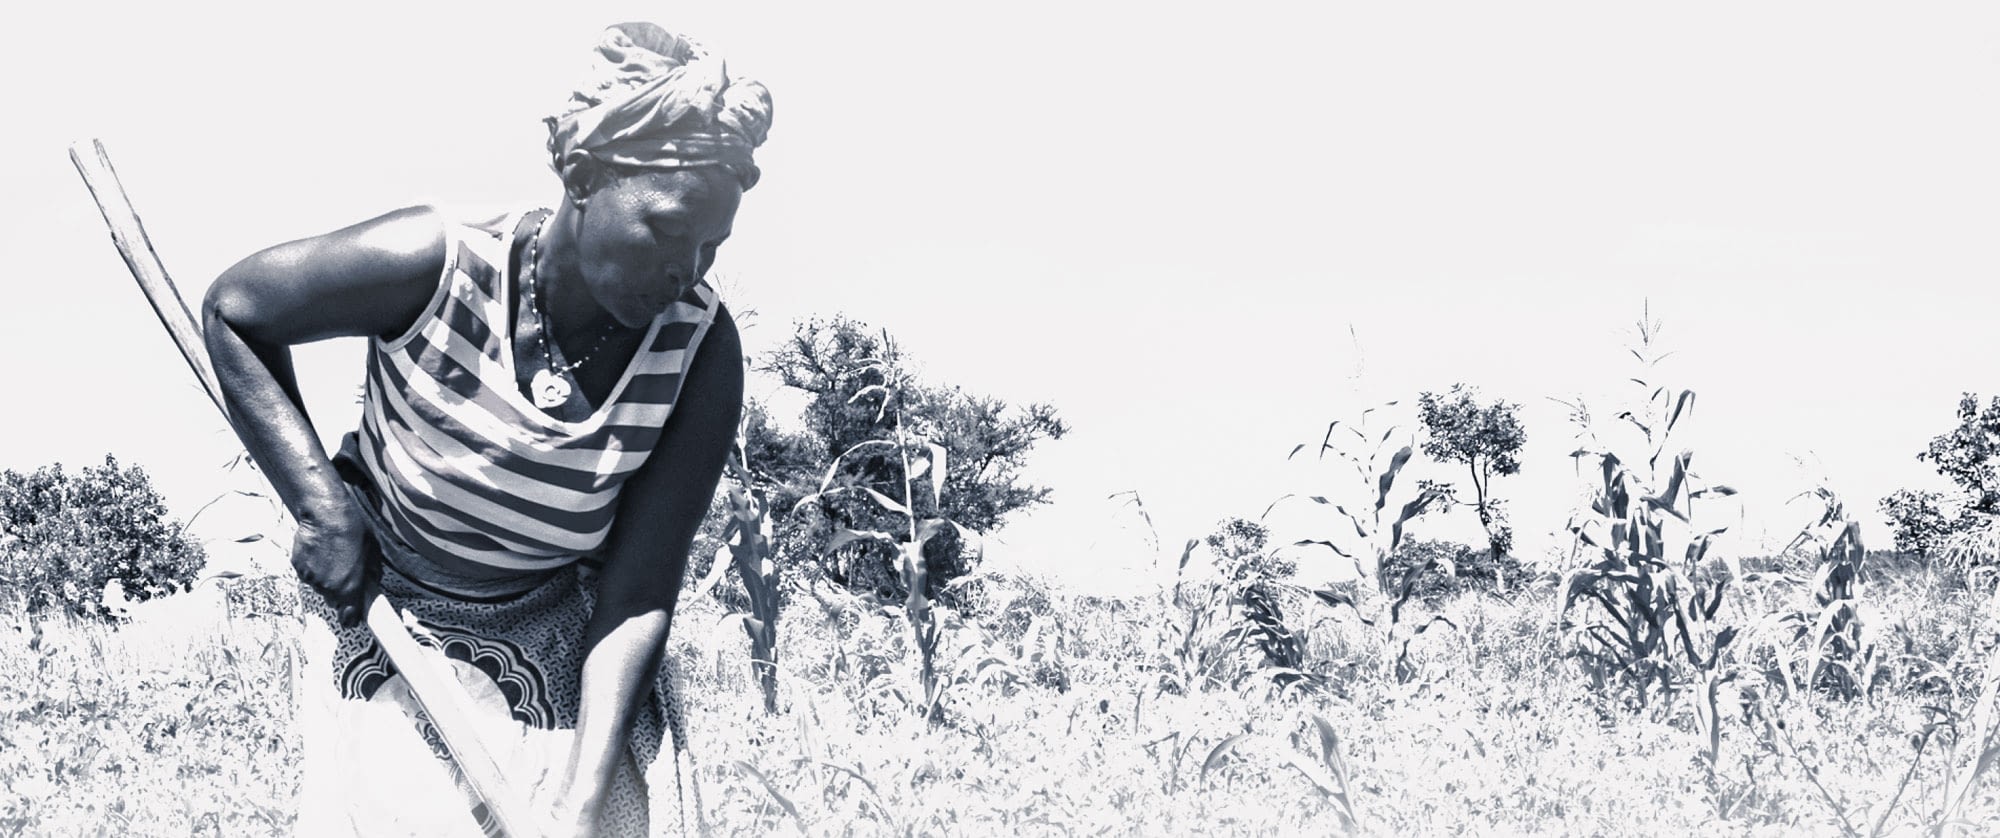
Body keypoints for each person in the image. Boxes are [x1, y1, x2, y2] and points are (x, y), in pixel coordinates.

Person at [201, 22, 770, 837]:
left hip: (560, 628)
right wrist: (322, 507)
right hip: (386, 604)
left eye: (712, 245)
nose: (689, 268)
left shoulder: (700, 348)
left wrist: (579, 805)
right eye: (670, 229)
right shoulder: (436, 265)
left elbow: (640, 591)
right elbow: (235, 309)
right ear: (583, 173)